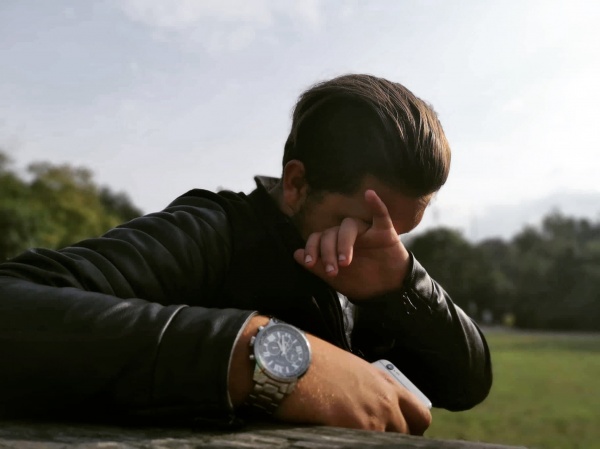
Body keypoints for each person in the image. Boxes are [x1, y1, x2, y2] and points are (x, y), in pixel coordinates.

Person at [0, 74, 492, 435]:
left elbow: (466, 386)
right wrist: (258, 355)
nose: (380, 243)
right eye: (363, 223)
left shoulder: (378, 266)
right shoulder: (212, 231)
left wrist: (402, 283)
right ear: (296, 183)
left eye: (400, 234)